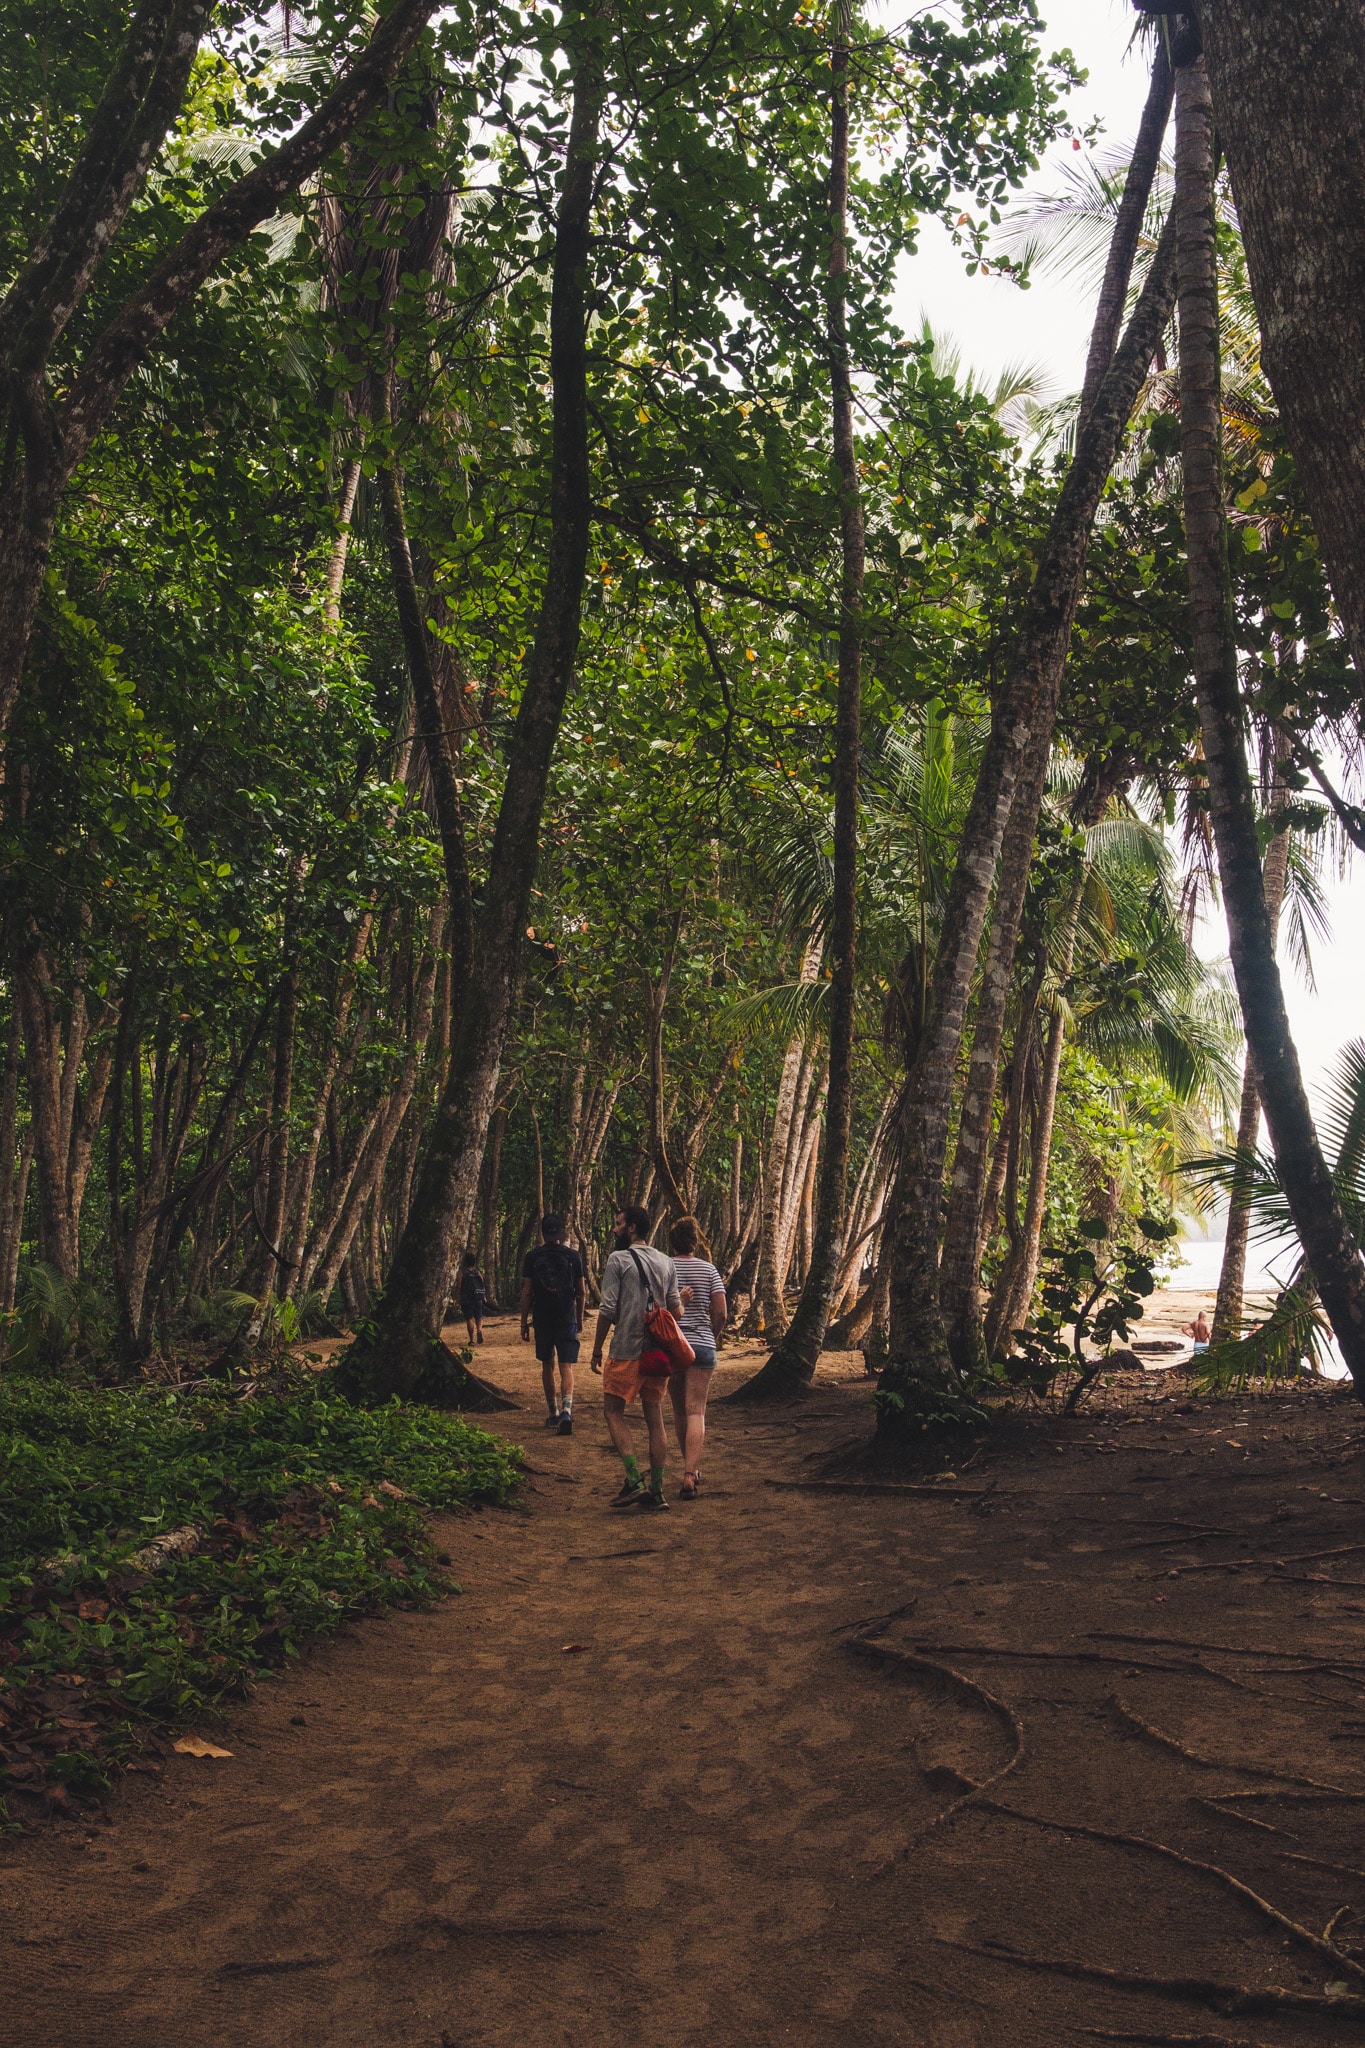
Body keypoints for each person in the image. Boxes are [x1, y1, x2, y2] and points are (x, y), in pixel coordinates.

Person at [589, 1206, 682, 1509]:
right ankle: (657, 1492)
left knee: (613, 1411)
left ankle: (633, 1480)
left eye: (617, 1224)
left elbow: (607, 1309)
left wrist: (596, 1348)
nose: (614, 1230)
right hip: (658, 1353)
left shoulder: (618, 1259)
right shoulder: (667, 1262)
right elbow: (675, 1310)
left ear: (631, 1228)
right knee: (655, 1418)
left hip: (627, 1348)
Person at [667, 1215, 726, 1500]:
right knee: (697, 1411)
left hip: (673, 1345)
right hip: (703, 1345)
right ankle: (690, 1473)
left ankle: (688, 1467)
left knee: (680, 1411)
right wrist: (711, 1335)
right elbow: (722, 1312)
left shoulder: (664, 1268)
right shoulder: (710, 1270)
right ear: (696, 1242)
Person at [521, 1215, 586, 1434]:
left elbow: (527, 1292)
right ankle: (567, 1410)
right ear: (560, 1233)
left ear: (543, 1233)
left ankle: (553, 1413)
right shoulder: (573, 1256)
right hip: (566, 1317)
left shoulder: (532, 1256)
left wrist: (523, 1322)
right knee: (565, 1365)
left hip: (542, 1318)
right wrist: (579, 1319)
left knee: (547, 1364)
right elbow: (582, 1292)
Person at [458, 1252, 488, 1345]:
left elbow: (459, 1286)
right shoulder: (477, 1272)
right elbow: (482, 1285)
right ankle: (479, 1330)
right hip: (478, 1298)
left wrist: (456, 1298)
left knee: (469, 1318)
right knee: (479, 1317)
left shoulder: (462, 1272)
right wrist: (484, 1296)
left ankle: (471, 1340)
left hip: (466, 1299)